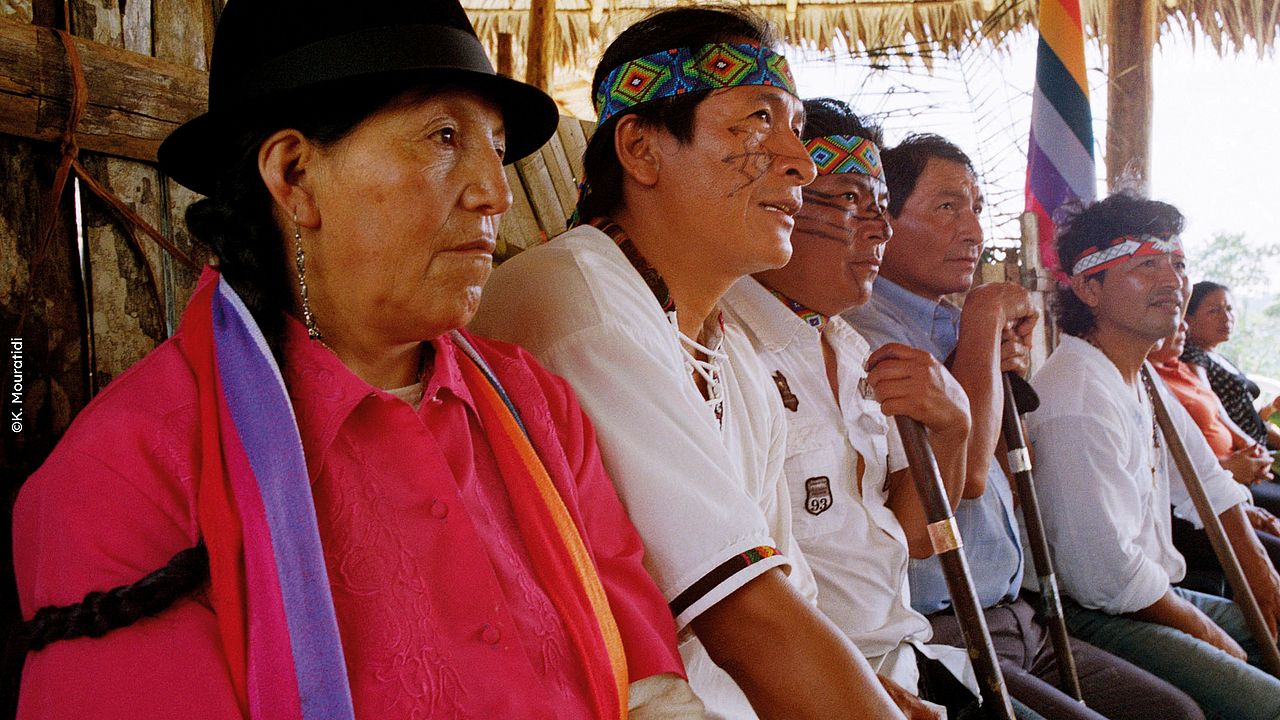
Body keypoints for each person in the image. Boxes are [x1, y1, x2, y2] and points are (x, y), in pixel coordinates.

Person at [11, 1, 700, 717]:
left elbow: (636, 654)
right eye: (443, 137)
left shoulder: (534, 403)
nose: (495, 192)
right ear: (296, 174)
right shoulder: (127, 471)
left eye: (496, 148)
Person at [471, 9, 903, 719]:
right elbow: (750, 625)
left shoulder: (730, 350)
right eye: (758, 121)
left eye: (795, 127)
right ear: (641, 150)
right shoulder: (584, 304)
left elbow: (788, 601)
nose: (803, 160)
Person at [844, 134, 1204, 720]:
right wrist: (984, 320)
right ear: (882, 218)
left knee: (1175, 712)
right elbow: (972, 478)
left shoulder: (947, 327)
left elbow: (1011, 481)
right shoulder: (870, 332)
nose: (973, 231)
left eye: (977, 208)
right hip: (947, 628)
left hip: (1019, 614)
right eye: (946, 207)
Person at [722, 97, 980, 720]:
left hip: (910, 658)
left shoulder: (851, 346)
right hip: (829, 689)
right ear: (779, 203)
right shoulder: (730, 348)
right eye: (847, 202)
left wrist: (953, 425)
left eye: (882, 208)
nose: (879, 231)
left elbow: (918, 538)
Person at [1026, 191, 1280, 720]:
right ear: (1089, 287)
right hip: (1100, 613)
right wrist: (1211, 634)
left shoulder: (1138, 374)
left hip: (1150, 595)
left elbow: (1209, 484)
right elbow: (1105, 576)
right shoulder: (1076, 397)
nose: (1174, 281)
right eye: (1147, 264)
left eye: (1180, 264)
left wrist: (1264, 583)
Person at [1151, 317, 1280, 596]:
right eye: (1174, 318)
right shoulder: (1147, 381)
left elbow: (1220, 414)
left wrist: (1250, 448)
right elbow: (1164, 466)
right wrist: (1229, 469)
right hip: (1196, 499)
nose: (1183, 328)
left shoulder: (1180, 367)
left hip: (1226, 476)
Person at [1183, 281, 1280, 451]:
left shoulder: (1216, 357)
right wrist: (1249, 445)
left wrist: (1268, 412)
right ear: (1188, 318)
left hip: (1261, 447)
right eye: (1213, 311)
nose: (1226, 317)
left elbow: (1243, 417)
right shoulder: (1194, 358)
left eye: (1228, 309)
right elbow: (1211, 406)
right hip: (1246, 457)